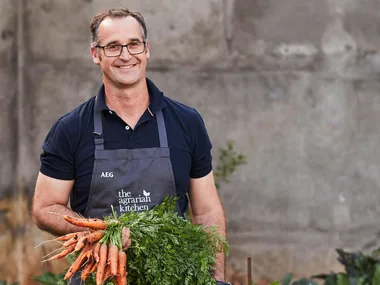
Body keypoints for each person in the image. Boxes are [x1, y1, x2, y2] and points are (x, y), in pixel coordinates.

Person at [32, 7, 229, 285]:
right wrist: (96, 231)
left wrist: (216, 280)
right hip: (97, 277)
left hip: (175, 276)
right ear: (95, 55)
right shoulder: (71, 129)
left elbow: (206, 210)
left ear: (146, 49)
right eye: (112, 47)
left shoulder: (186, 122)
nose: (126, 55)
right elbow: (44, 208)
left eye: (133, 44)